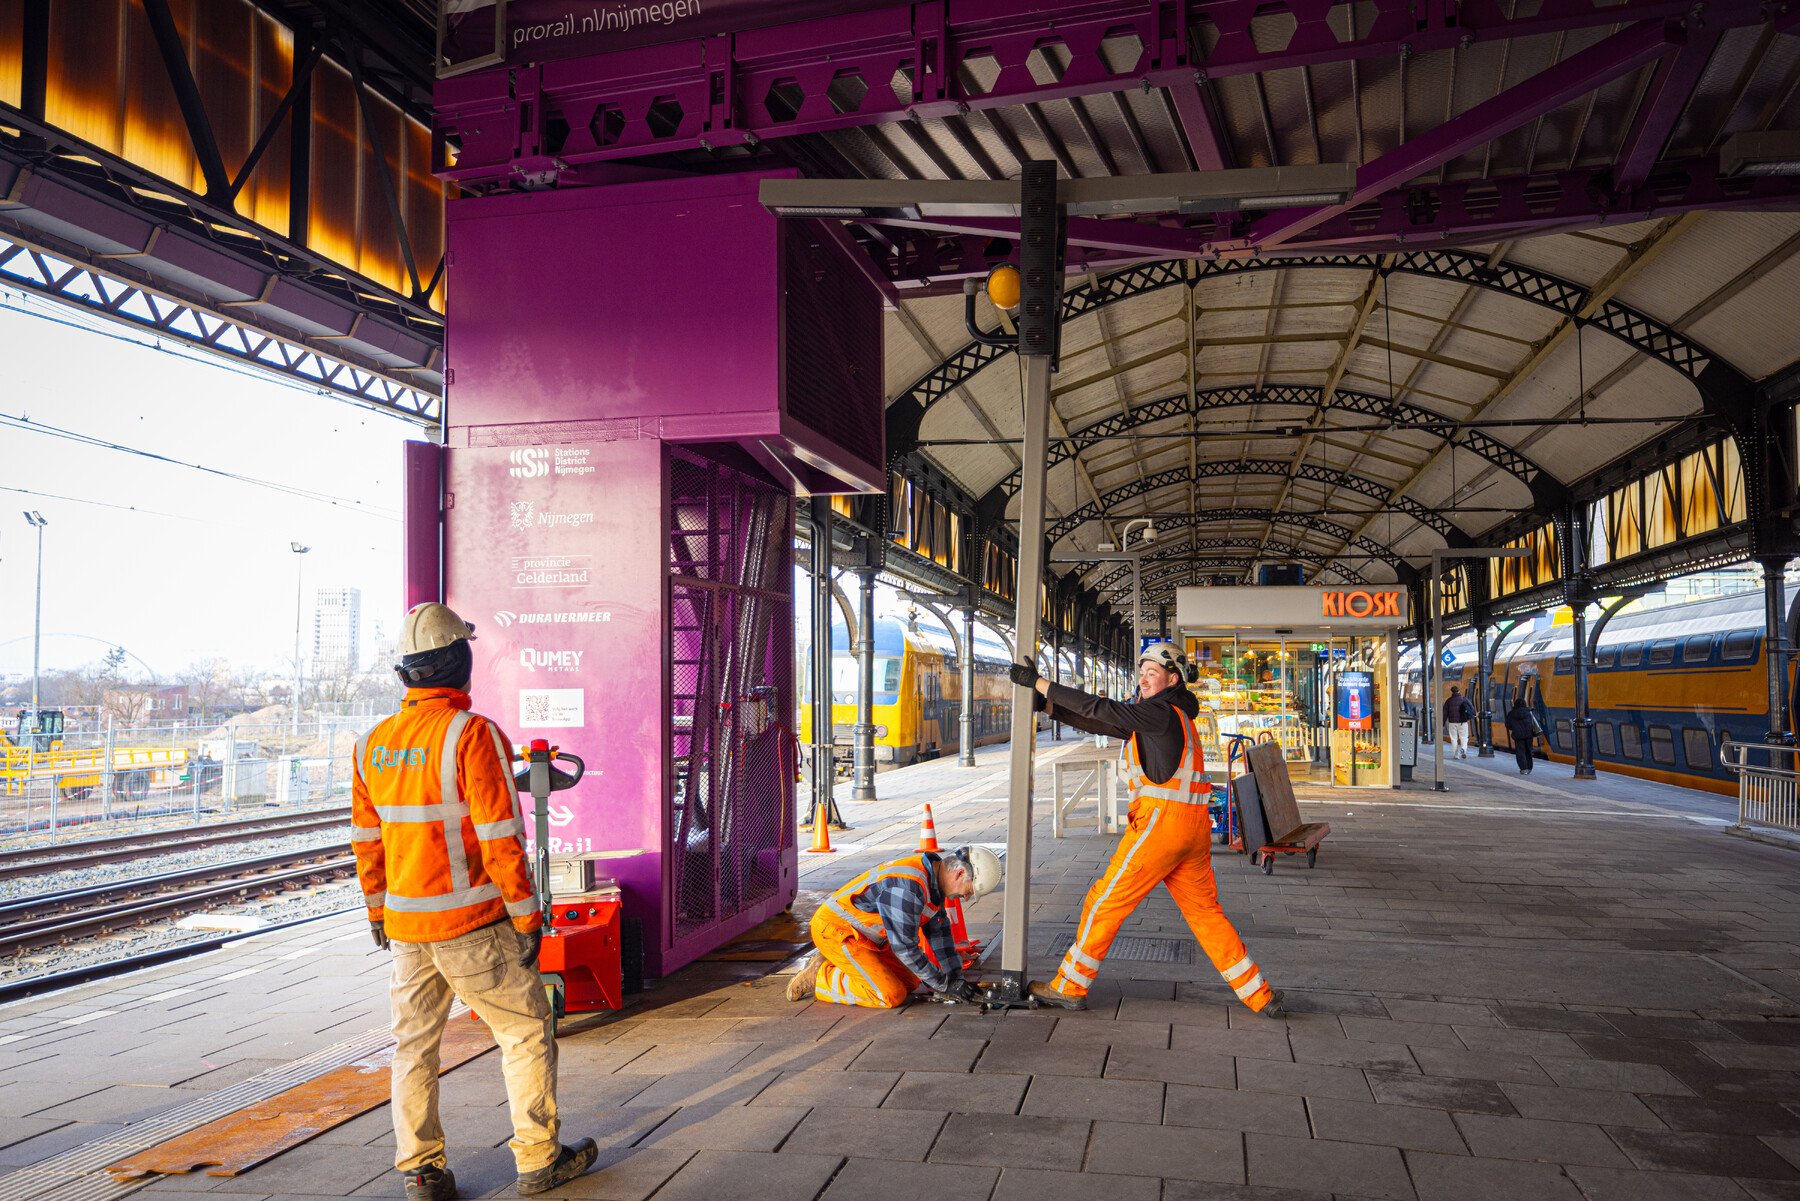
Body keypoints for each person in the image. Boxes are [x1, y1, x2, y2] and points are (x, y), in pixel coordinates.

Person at [352, 602, 596, 1201]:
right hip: (473, 924)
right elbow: (498, 835)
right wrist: (526, 914)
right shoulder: (472, 733)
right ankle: (539, 1158)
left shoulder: (371, 744)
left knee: (413, 1046)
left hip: (408, 929)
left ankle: (421, 1170)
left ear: (405, 674)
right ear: (460, 662)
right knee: (525, 1030)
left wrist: (377, 911)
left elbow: (367, 840)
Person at [1012, 643, 1285, 1018]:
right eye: (1141, 672)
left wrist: (1042, 683)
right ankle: (1259, 994)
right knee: (1205, 913)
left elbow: (1101, 707)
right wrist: (1047, 707)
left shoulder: (1159, 711)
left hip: (1163, 824)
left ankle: (1069, 986)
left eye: (1152, 673)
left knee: (1104, 901)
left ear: (1172, 679)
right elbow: (1105, 722)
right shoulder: (1173, 716)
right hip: (1194, 829)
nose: (1143, 678)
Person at [786, 845, 1002, 1008]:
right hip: (837, 932)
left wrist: (955, 979)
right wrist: (945, 985)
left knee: (909, 981)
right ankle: (821, 976)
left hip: (869, 939)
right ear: (960, 874)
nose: (966, 898)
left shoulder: (933, 883)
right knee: (889, 995)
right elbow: (905, 947)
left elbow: (940, 935)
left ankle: (842, 964)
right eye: (970, 891)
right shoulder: (908, 887)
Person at [1504, 697, 1542, 775]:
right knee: (1528, 751)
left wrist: (1515, 727)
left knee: (1520, 752)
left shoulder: (1511, 713)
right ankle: (1529, 767)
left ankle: (1523, 768)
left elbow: (1508, 725)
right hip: (1528, 735)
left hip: (1518, 736)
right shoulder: (1529, 712)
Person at [1443, 685, 1474, 759]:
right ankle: (1463, 750)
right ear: (1459, 691)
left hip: (1452, 723)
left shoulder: (1449, 701)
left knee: (1454, 739)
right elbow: (1472, 709)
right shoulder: (1464, 699)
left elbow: (1444, 713)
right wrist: (1471, 716)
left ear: (1452, 692)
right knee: (1464, 738)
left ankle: (1456, 755)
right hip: (1463, 722)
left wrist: (1442, 724)